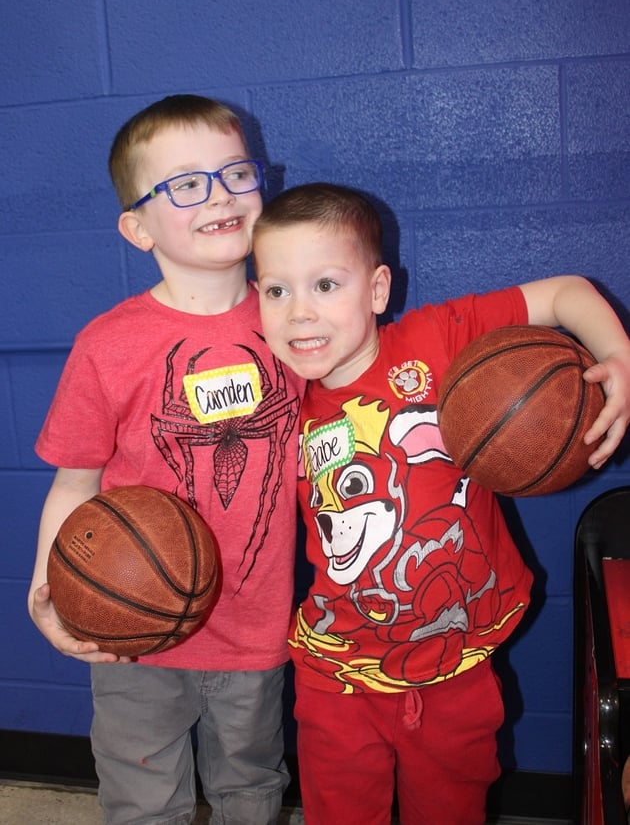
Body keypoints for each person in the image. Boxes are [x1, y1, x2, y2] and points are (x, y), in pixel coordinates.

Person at [252, 182, 630, 825]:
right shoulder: (275, 403)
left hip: (458, 660)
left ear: (377, 290)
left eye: (324, 284)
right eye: (275, 290)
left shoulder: (436, 339)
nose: (298, 313)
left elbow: (567, 292)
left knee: (451, 809)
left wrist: (619, 352)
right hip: (339, 671)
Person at [28, 94, 303, 825]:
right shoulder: (107, 344)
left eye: (236, 173)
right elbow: (75, 482)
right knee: (144, 800)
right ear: (137, 226)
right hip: (132, 632)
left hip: (257, 627)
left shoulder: (297, 322)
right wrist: (47, 585)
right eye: (185, 184)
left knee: (251, 787)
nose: (218, 195)